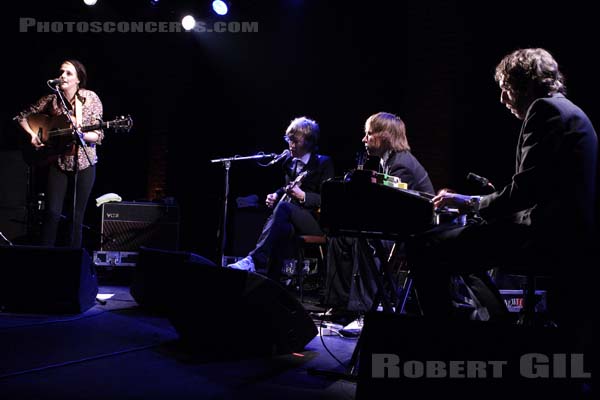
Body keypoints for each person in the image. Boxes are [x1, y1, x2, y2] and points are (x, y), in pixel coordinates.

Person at [408, 48, 598, 327]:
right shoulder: (571, 111)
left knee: (424, 247)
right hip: (566, 234)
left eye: (506, 88)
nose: (502, 98)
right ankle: (495, 325)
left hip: (544, 236)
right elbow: (543, 187)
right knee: (465, 246)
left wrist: (471, 203)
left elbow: (525, 191)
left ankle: (445, 338)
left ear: (526, 83)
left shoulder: (545, 110)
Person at [324, 112, 435, 320]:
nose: (364, 139)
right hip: (399, 230)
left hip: (415, 235)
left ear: (385, 136)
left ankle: (363, 310)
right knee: (340, 238)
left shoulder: (401, 164)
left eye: (369, 134)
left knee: (366, 239)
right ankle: (341, 303)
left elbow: (393, 208)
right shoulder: (390, 160)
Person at [228, 117, 335, 281]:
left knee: (283, 208)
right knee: (281, 228)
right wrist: (276, 194)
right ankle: (272, 282)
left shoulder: (323, 163)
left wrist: (304, 196)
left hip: (315, 220)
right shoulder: (288, 162)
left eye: (295, 142)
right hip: (293, 218)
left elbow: (328, 199)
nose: (291, 145)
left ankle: (254, 260)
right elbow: (287, 187)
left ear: (308, 142)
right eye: (289, 140)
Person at [15, 59, 104, 248]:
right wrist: (33, 135)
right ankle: (46, 260)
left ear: (78, 79)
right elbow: (22, 117)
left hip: (84, 163)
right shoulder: (51, 100)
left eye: (69, 73)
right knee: (52, 213)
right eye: (61, 72)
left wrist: (81, 134)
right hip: (59, 160)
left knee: (76, 217)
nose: (62, 76)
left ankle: (72, 264)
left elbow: (98, 136)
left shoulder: (90, 98)